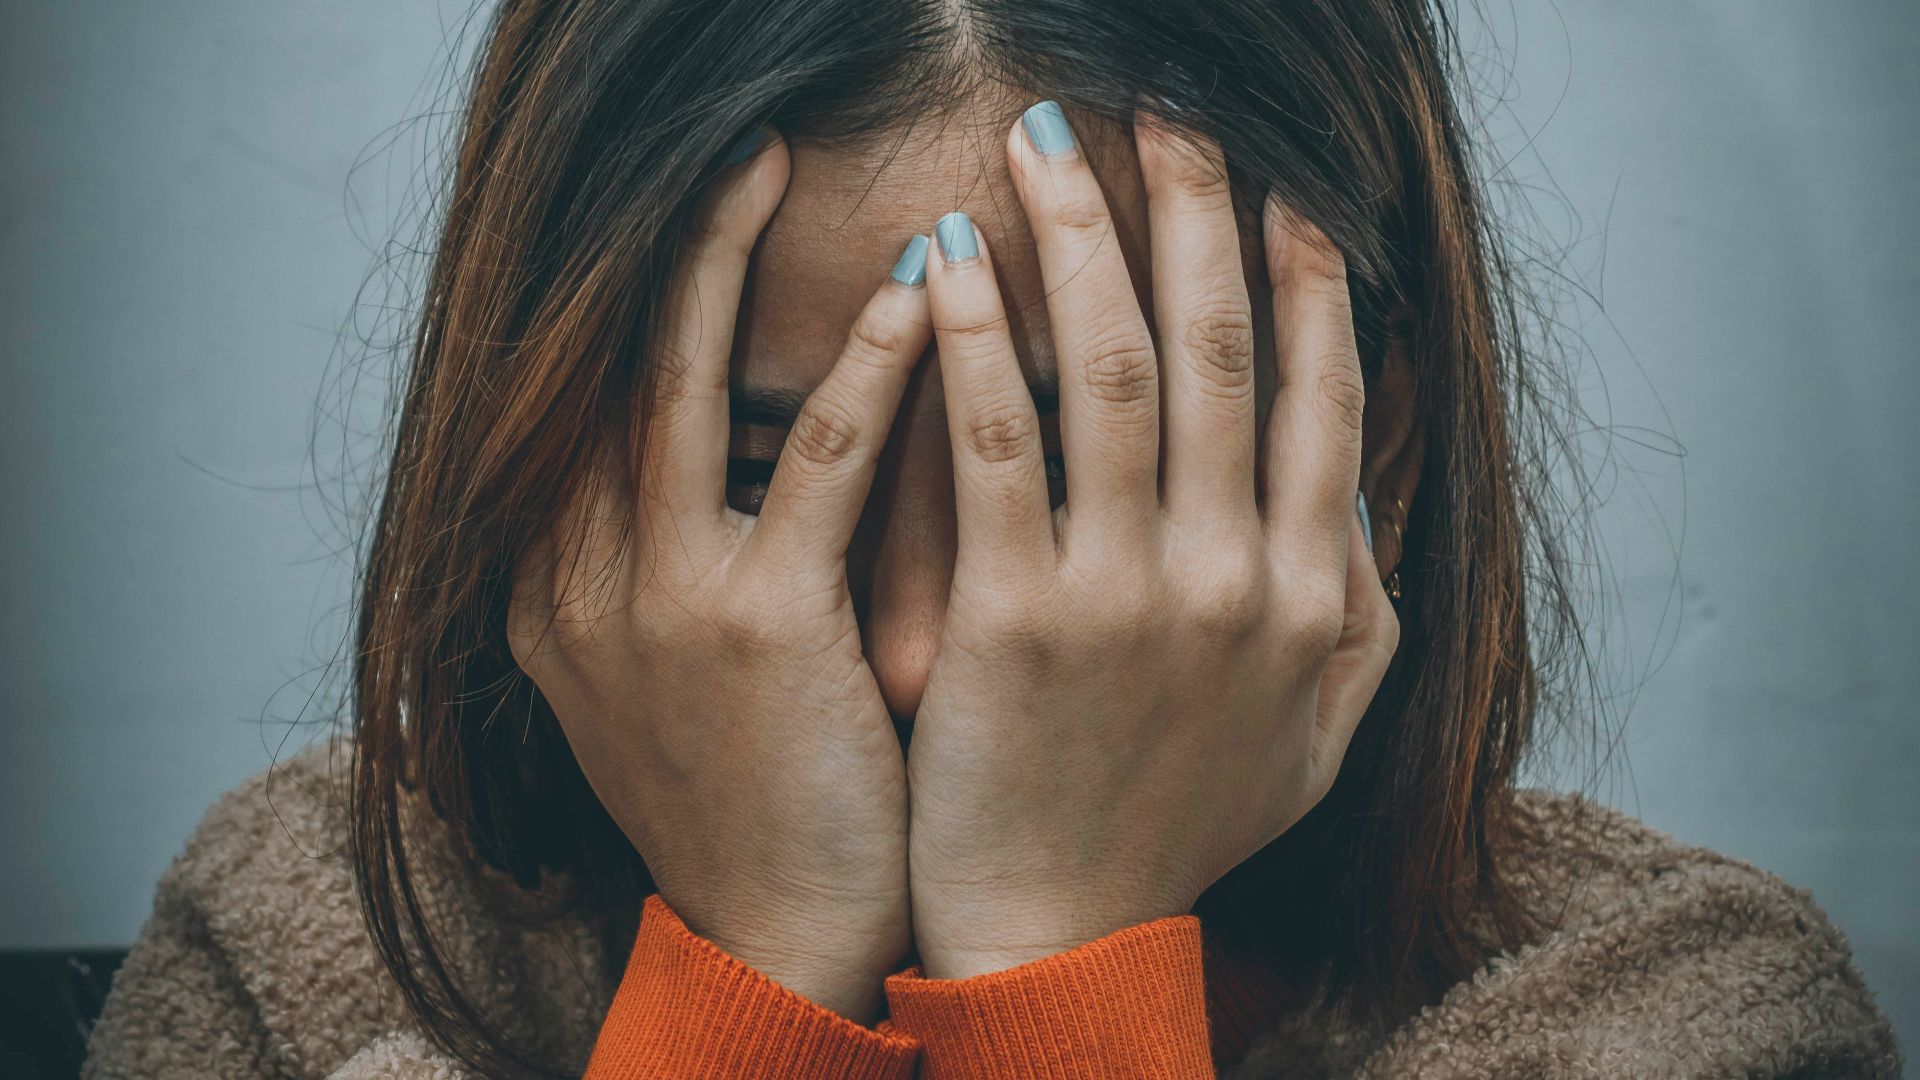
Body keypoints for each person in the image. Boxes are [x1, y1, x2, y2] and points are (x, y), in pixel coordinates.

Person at [82, 1, 1903, 1077]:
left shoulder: (1675, 1017)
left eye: (1067, 473)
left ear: (1369, 435)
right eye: (764, 468)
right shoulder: (305, 948)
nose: (909, 652)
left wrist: (1054, 962)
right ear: (541, 429)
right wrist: (757, 968)